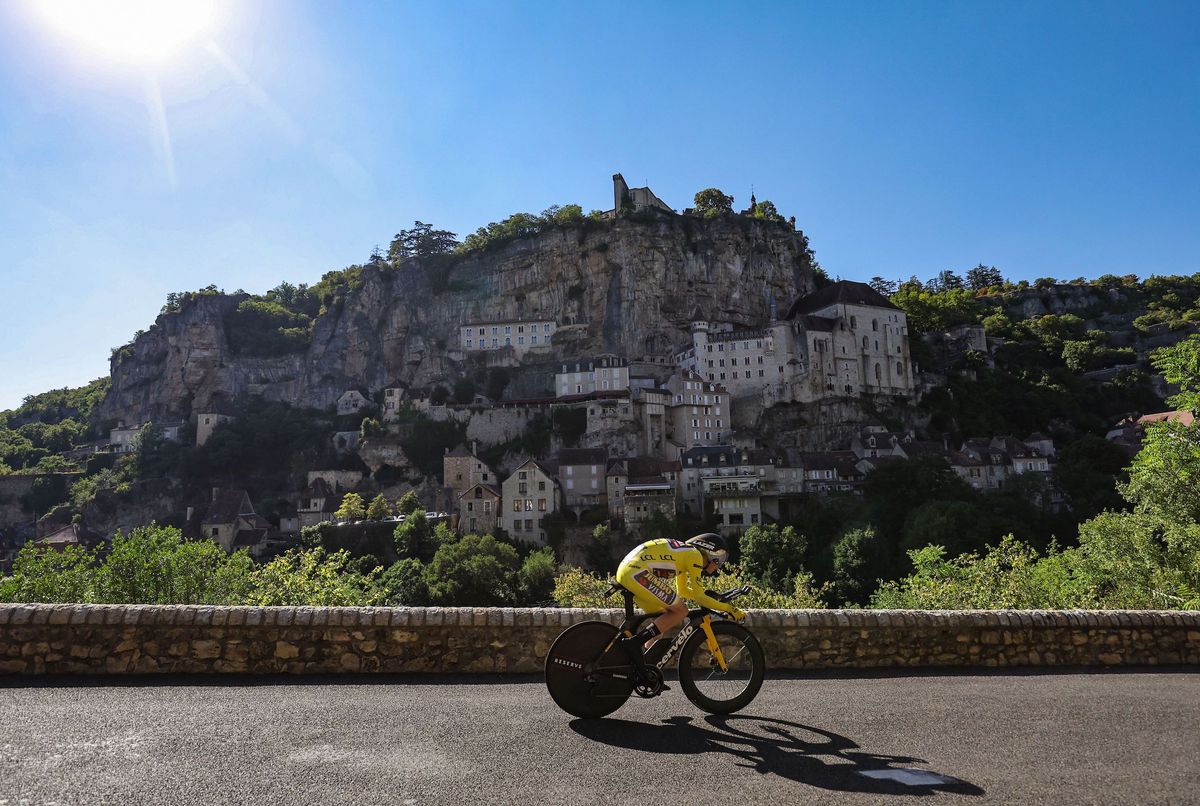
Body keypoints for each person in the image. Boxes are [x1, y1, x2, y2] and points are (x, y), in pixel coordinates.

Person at [615, 533, 746, 655]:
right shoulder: (695, 556)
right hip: (636, 573)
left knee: (663, 620)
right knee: (681, 611)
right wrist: (729, 609)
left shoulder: (686, 553)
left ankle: (643, 661)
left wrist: (710, 599)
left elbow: (683, 591)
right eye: (719, 560)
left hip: (627, 571)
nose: (719, 566)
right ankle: (635, 643)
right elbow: (699, 597)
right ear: (711, 553)